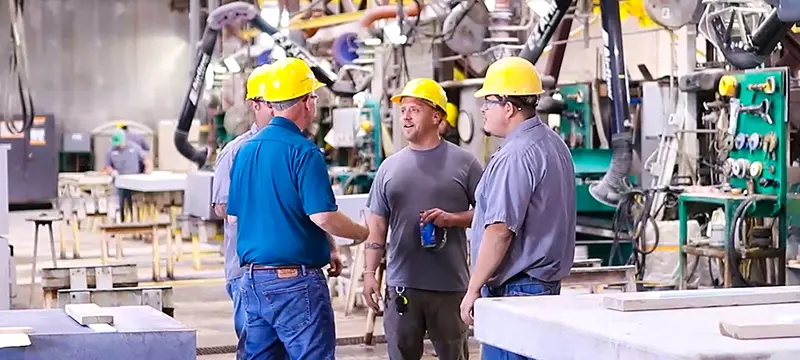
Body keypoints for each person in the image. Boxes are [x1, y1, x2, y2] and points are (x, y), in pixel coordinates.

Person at [227, 57, 369, 360]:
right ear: (307, 101)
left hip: (252, 281)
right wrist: (361, 232)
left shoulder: (244, 151)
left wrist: (325, 245)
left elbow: (234, 214)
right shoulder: (304, 151)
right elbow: (323, 215)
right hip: (296, 284)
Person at [458, 56, 577, 360]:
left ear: (508, 107)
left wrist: (473, 289)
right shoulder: (554, 144)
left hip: (515, 292)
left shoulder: (516, 155)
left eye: (488, 101)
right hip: (542, 289)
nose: (482, 109)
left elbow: (499, 232)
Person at [362, 78, 483, 360]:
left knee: (454, 355)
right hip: (403, 285)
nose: (405, 116)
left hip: (450, 286)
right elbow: (377, 225)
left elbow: (491, 215)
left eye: (414, 109)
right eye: (403, 109)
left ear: (437, 116)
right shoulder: (389, 167)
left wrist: (452, 219)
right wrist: (369, 275)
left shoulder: (465, 164)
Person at [211, 63, 274, 359]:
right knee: (255, 348)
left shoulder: (298, 148)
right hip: (245, 270)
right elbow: (222, 206)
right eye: (270, 103)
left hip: (289, 272)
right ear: (254, 105)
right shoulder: (236, 151)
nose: (277, 109)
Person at [102, 129, 152, 221]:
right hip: (119, 182)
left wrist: (148, 169)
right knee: (118, 203)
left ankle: (135, 221)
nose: (118, 146)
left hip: (134, 181)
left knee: (134, 203)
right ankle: (120, 221)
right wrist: (112, 171)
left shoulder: (134, 148)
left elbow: (146, 159)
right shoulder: (110, 151)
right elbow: (107, 166)